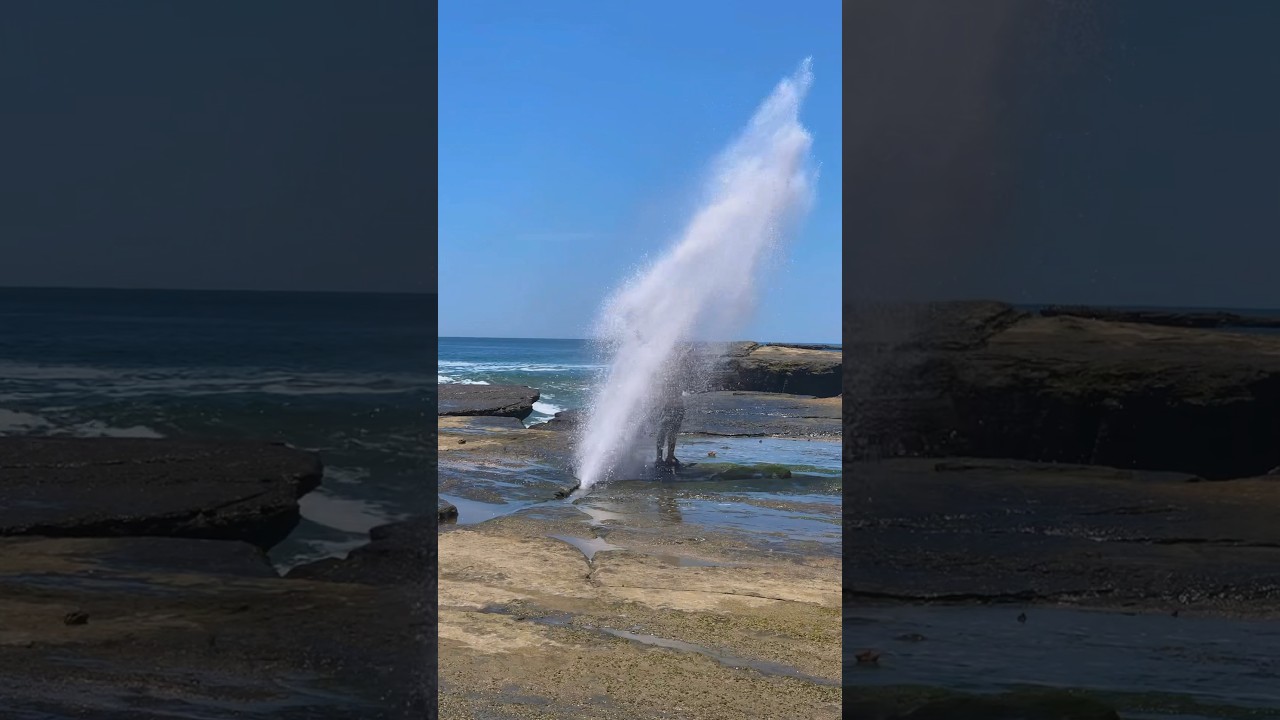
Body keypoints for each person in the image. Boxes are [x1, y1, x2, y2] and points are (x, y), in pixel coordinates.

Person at [654, 352, 688, 467]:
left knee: (668, 432)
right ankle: (663, 457)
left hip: (674, 407)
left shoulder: (669, 375)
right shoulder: (669, 376)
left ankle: (666, 457)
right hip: (670, 407)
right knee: (665, 432)